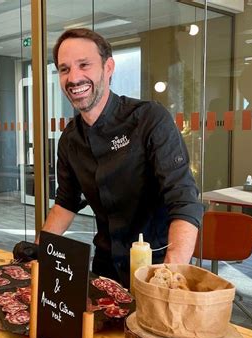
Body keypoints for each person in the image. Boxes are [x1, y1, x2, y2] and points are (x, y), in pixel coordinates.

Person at [38, 28, 203, 287]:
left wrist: (170, 276)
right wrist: (39, 250)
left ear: (108, 67)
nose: (74, 77)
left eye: (84, 65)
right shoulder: (70, 139)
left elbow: (184, 200)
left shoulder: (149, 119)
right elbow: (66, 203)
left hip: (156, 265)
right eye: (64, 69)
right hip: (104, 265)